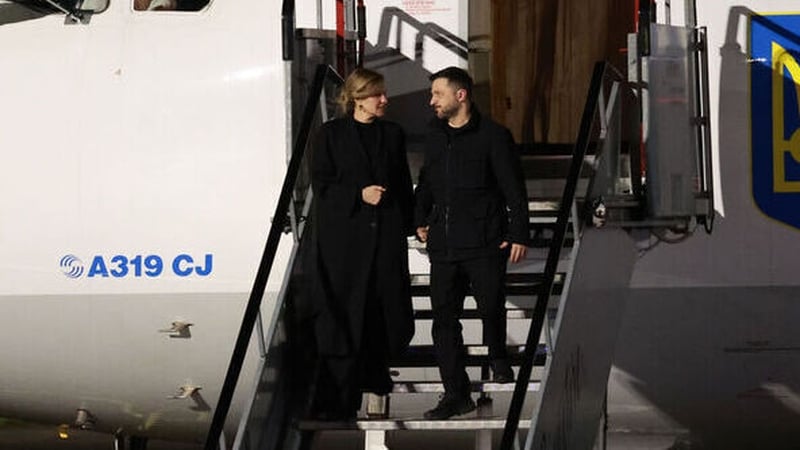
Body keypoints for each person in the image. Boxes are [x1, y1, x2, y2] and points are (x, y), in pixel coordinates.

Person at [414, 66, 529, 420]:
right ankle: (455, 393)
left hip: (483, 240)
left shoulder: (494, 137)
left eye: (438, 94)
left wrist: (518, 233)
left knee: (490, 306)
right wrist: (418, 218)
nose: (432, 100)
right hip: (444, 245)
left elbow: (513, 187)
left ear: (460, 95)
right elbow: (427, 180)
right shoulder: (434, 136)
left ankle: (498, 354)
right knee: (444, 321)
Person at [308, 67, 415, 420]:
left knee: (383, 307)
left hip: (384, 236)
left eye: (383, 94)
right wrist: (358, 195)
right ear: (356, 98)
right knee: (345, 311)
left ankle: (377, 372)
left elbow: (401, 181)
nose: (384, 100)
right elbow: (321, 183)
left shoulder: (393, 134)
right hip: (345, 240)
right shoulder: (331, 135)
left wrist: (416, 224)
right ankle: (339, 398)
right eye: (376, 95)